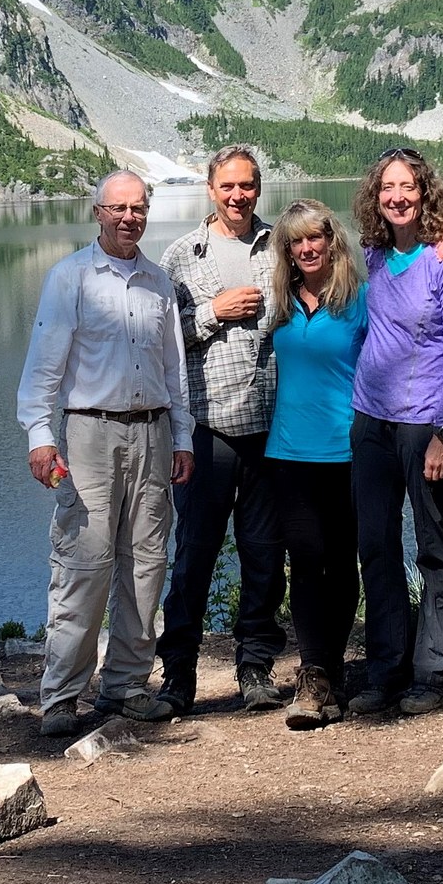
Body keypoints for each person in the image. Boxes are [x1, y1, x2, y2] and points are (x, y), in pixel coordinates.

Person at [17, 170, 195, 737]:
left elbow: (174, 369)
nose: (128, 217)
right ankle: (62, 696)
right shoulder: (70, 277)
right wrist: (39, 437)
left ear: (147, 212)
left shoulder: (158, 282)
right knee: (83, 563)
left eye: (137, 208)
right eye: (116, 208)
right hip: (89, 433)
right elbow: (43, 368)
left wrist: (183, 437)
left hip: (154, 431)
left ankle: (124, 686)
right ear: (97, 212)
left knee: (146, 564)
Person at [155, 145, 286, 714]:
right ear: (212, 189)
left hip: (271, 426)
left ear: (259, 189)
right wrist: (216, 312)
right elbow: (161, 340)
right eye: (228, 186)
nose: (239, 195)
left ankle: (255, 666)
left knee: (263, 554)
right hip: (208, 428)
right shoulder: (182, 255)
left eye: (249, 185)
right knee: (195, 555)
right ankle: (178, 672)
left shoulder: (280, 244)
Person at [350, 148, 443, 717]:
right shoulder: (373, 257)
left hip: (427, 422)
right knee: (375, 548)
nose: (397, 196)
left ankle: (434, 670)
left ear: (425, 194)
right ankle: (385, 668)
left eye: (408, 186)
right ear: (376, 197)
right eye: (387, 188)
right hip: (371, 422)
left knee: (434, 547)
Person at [263, 199, 369, 729]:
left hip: (346, 450)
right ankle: (313, 673)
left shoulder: (359, 300)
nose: (306, 248)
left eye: (315, 238)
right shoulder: (281, 302)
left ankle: (331, 672)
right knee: (304, 561)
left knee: (342, 561)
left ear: (333, 242)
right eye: (295, 242)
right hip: (288, 452)